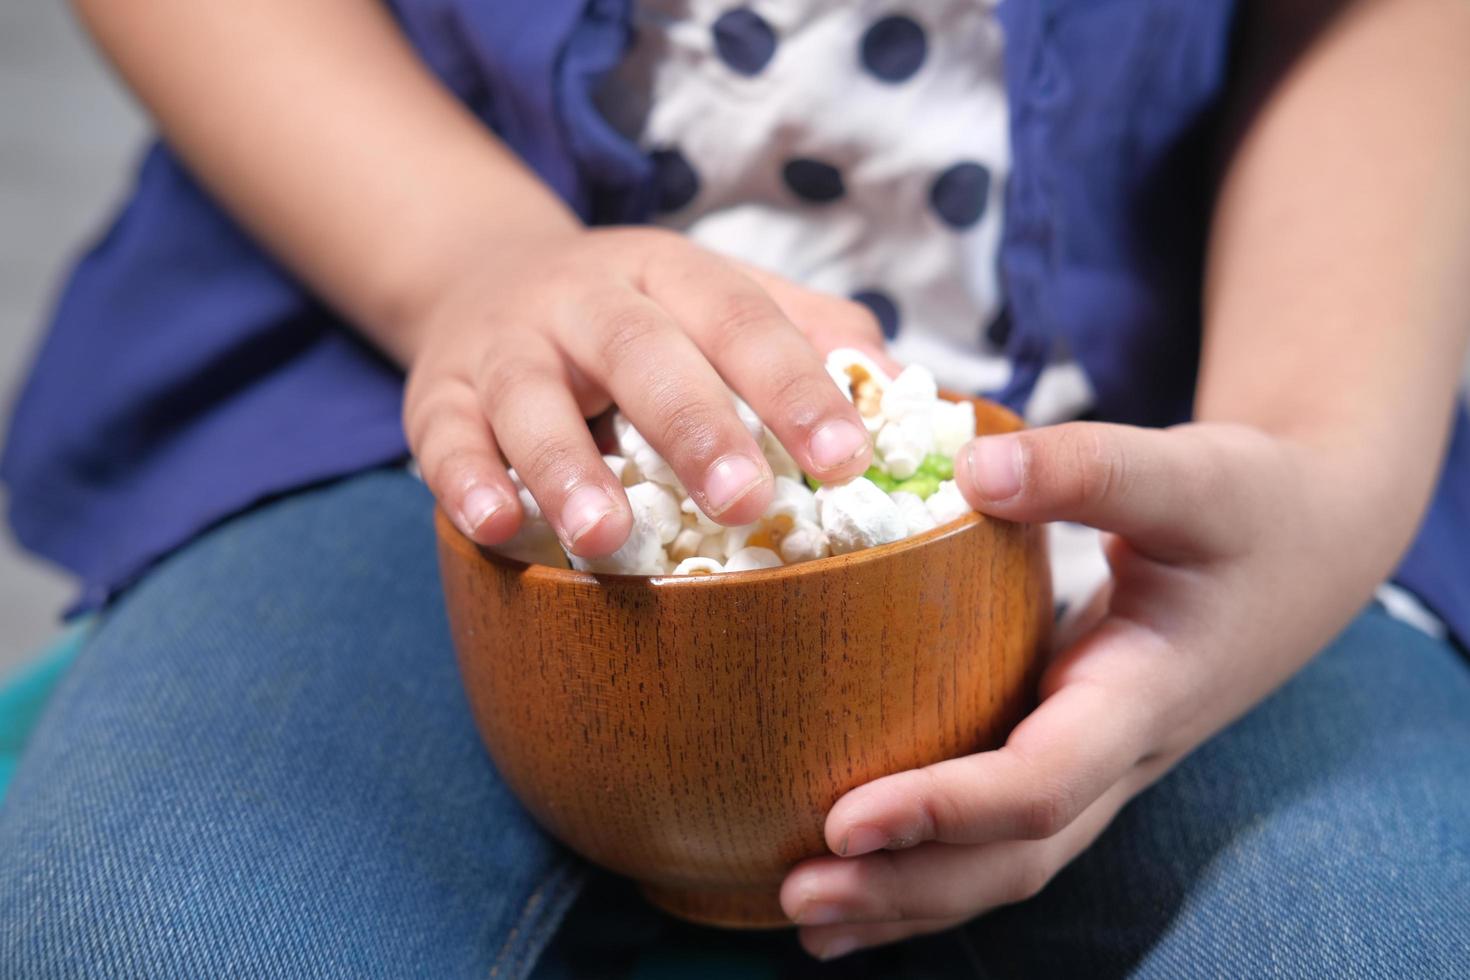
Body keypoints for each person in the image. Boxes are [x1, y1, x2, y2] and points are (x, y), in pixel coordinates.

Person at [2, 0, 1468, 975]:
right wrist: (464, 263)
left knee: (1383, 936)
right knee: (144, 932)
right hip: (400, 388)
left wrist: (1319, 457)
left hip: (1193, 436)